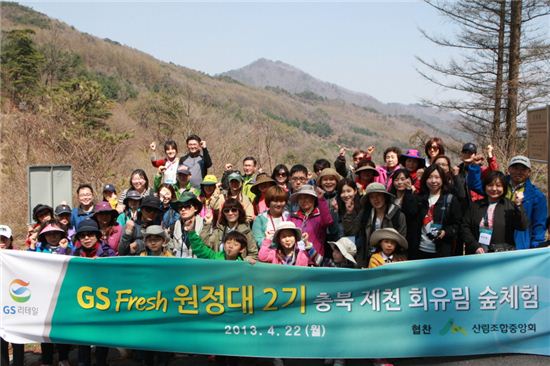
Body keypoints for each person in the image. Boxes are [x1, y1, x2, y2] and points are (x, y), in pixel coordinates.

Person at [467, 155, 547, 249]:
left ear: (529, 172)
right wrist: (475, 166)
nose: (518, 172)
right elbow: (475, 185)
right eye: (515, 168)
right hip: (495, 243)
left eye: (523, 169)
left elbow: (539, 225)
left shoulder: (537, 196)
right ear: (509, 169)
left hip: (520, 245)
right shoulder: (498, 186)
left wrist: (536, 248)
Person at [70, 219, 114, 366]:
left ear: (97, 236)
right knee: (83, 338)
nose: (86, 238)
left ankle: (102, 361)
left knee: (102, 339)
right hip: (81, 305)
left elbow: (116, 275)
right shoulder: (73, 254)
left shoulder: (108, 253)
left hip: (103, 304)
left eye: (90, 235)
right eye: (82, 236)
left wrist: (102, 264)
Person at [462, 171, 528, 253]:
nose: (494, 189)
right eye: (490, 185)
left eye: (498, 186)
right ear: (485, 186)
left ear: (504, 187)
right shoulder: (475, 206)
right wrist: (475, 246)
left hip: (502, 254)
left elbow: (522, 226)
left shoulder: (510, 206)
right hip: (477, 253)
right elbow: (465, 227)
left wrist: (518, 205)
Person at [413, 165, 462, 259]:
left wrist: (446, 232)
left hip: (442, 251)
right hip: (420, 250)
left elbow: (457, 224)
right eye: (430, 177)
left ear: (443, 179)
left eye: (437, 177)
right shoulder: (419, 198)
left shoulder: (450, 199)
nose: (433, 181)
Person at [354, 183, 407, 267]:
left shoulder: (398, 216)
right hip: (368, 257)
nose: (375, 199)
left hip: (391, 260)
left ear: (385, 196)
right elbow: (352, 230)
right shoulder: (365, 214)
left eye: (378, 195)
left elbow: (402, 239)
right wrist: (349, 213)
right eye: (372, 197)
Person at [200, 198, 258, 263]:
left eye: (234, 210)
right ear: (223, 213)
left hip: (237, 268)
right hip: (218, 266)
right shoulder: (219, 229)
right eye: (226, 211)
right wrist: (207, 224)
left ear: (239, 211)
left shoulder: (246, 231)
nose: (230, 213)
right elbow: (204, 244)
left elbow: (253, 254)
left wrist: (242, 262)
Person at [0, 225, 25, 366]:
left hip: (16, 303)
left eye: (4, 239)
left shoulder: (19, 256)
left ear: (10, 240)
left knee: (17, 339)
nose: (1, 242)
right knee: (1, 342)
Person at [289, 184, 333, 257]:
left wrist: (321, 199)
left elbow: (328, 221)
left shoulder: (320, 215)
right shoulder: (292, 217)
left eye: (307, 197)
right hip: (296, 259)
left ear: (313, 198)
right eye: (301, 198)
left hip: (314, 259)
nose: (304, 200)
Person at [168, 192, 205, 258]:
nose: (183, 209)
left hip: (198, 266)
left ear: (196, 208)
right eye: (180, 207)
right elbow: (170, 251)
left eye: (187, 206)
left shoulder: (205, 225)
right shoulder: (173, 227)